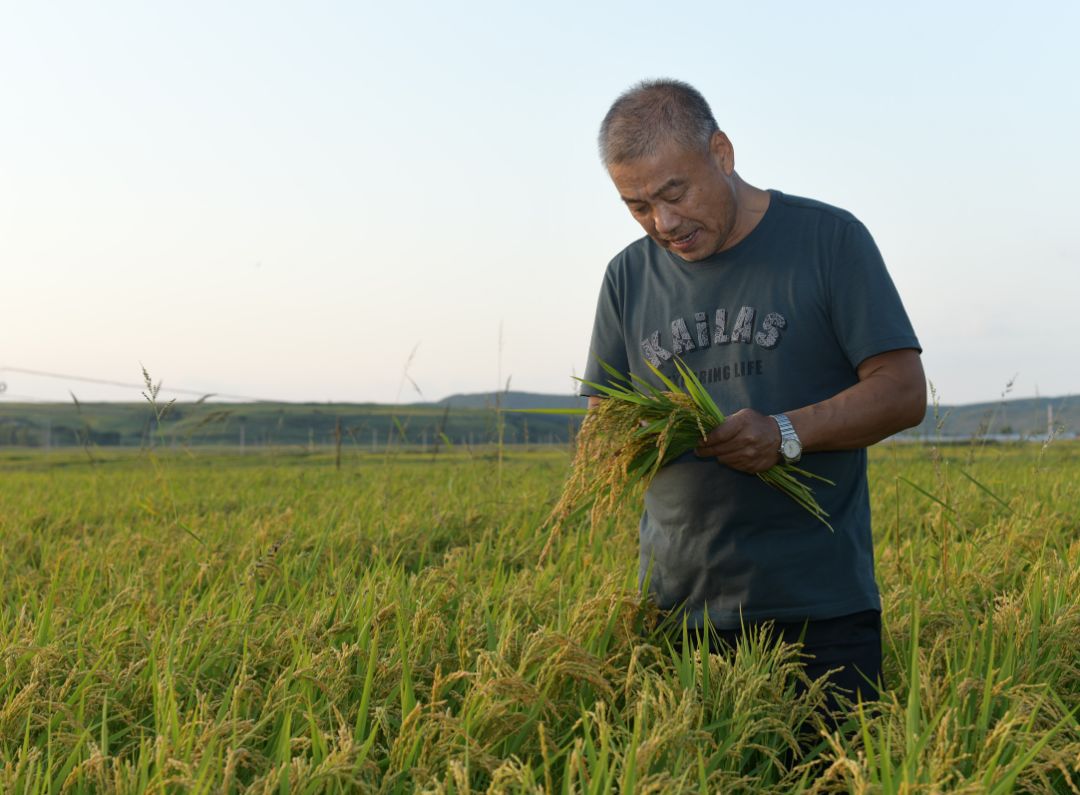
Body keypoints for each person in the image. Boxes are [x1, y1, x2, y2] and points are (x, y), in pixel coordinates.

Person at [582, 78, 926, 714]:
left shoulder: (829, 241)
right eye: (636, 206)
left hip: (819, 614)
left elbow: (903, 392)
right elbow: (604, 419)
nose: (663, 223)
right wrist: (638, 435)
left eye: (673, 193)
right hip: (678, 614)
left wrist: (786, 432)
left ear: (722, 152)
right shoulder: (627, 278)